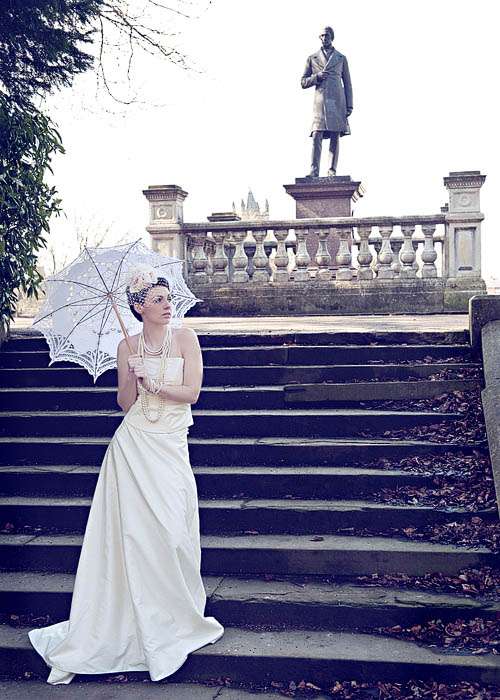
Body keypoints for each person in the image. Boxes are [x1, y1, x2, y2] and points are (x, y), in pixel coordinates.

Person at [27, 264, 225, 684]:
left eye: (168, 298)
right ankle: (126, 622)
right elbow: (125, 403)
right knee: (134, 536)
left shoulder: (186, 338)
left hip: (170, 444)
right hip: (132, 446)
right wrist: (133, 377)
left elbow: (192, 392)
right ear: (138, 308)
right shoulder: (126, 346)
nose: (167, 305)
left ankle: (174, 615)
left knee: (173, 532)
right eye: (157, 300)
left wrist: (156, 383)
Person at [301, 26, 353, 177]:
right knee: (316, 134)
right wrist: (316, 77)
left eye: (327, 35)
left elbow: (347, 83)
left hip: (337, 101)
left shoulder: (341, 58)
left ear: (332, 37)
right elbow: (303, 82)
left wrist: (349, 105)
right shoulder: (312, 58)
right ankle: (314, 171)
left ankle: (332, 170)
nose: (324, 38)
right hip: (320, 102)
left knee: (335, 135)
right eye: (322, 36)